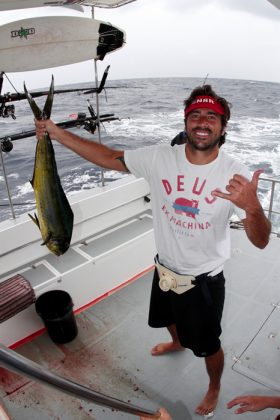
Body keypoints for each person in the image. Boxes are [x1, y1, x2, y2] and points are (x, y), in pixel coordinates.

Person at [34, 84, 271, 417]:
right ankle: (176, 342)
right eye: (195, 115)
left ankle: (214, 385)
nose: (203, 122)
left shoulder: (235, 173)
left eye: (212, 117)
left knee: (208, 346)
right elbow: (109, 157)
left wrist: (254, 209)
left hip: (203, 282)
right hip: (164, 269)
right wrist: (56, 134)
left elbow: (261, 240)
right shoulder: (160, 157)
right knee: (165, 319)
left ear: (223, 126)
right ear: (186, 121)